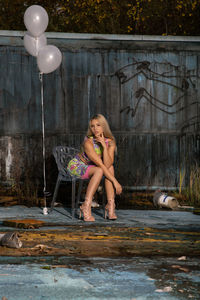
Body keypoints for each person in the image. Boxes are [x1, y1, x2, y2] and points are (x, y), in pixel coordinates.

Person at [67, 114, 122, 222]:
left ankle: (110, 205)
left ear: (104, 126)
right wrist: (115, 182)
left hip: (93, 167)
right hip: (78, 166)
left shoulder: (110, 141)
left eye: (98, 125)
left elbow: (107, 163)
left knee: (110, 168)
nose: (95, 129)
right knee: (100, 170)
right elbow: (101, 165)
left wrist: (104, 147)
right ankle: (86, 205)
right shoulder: (88, 142)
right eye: (92, 126)